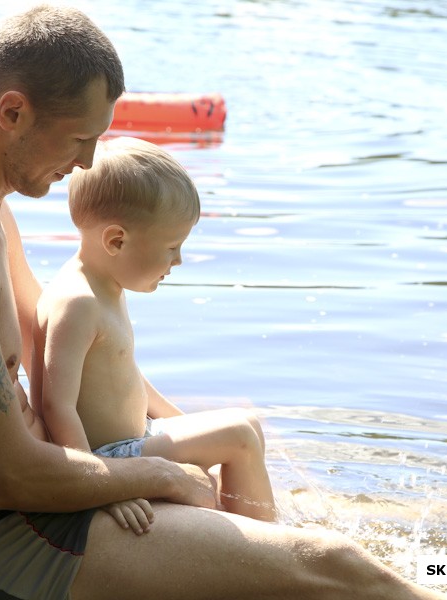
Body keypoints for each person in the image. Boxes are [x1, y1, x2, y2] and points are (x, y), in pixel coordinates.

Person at [0, 5, 447, 599]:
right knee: (340, 567)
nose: (88, 162)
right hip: (5, 550)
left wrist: (154, 441)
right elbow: (6, 476)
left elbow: (52, 360)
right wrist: (157, 474)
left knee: (263, 493)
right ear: (11, 111)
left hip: (31, 516)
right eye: (79, 138)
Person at [31, 136, 277, 528]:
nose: (178, 260)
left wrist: (186, 426)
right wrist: (99, 487)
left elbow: (127, 376)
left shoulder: (103, 284)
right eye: (171, 248)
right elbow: (55, 406)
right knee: (238, 436)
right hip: (108, 458)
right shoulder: (77, 303)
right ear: (116, 240)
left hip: (135, 438)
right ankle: (269, 543)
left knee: (244, 424)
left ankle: (245, 519)